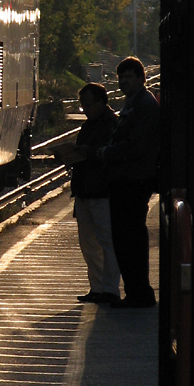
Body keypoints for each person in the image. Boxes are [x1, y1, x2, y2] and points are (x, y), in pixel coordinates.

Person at [100, 56, 160, 309]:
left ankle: (139, 293)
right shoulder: (134, 103)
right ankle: (135, 292)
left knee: (130, 237)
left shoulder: (143, 105)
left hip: (133, 179)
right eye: (120, 77)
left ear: (140, 78)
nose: (123, 82)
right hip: (127, 178)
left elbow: (136, 145)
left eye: (128, 77)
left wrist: (104, 153)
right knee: (125, 237)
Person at [71, 82, 120, 304]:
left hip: (102, 192)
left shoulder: (112, 124)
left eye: (88, 105)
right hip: (84, 191)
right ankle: (97, 287)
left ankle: (110, 289)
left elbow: (107, 154)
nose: (86, 110)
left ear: (101, 102)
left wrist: (86, 152)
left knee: (106, 242)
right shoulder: (89, 125)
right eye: (83, 106)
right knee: (88, 243)